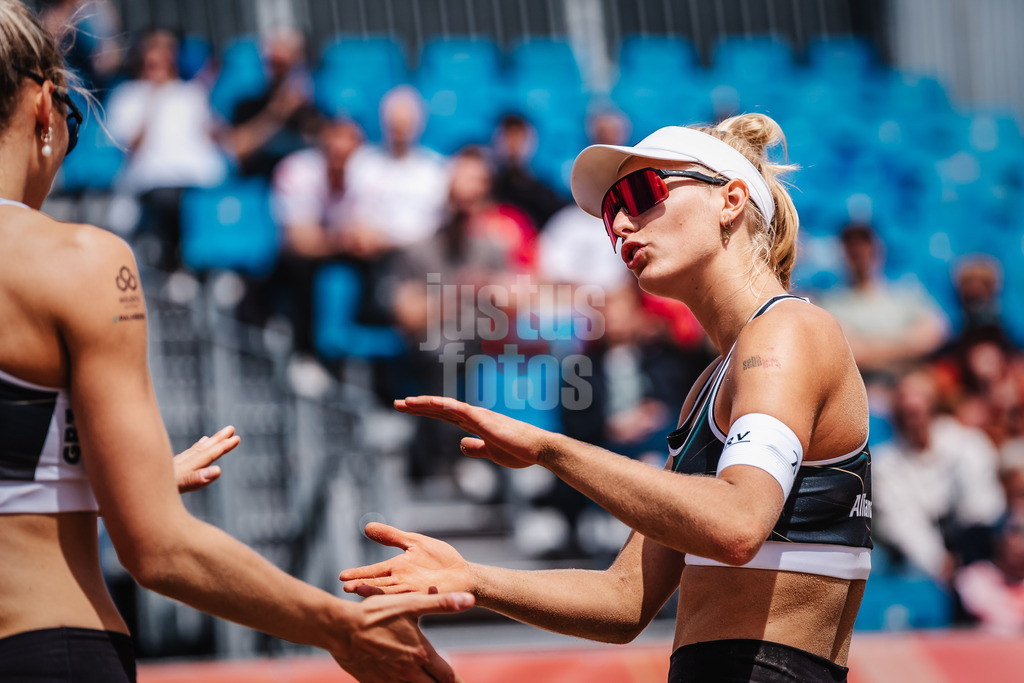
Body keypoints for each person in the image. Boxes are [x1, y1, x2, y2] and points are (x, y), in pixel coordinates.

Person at [0, 3, 472, 682]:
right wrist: (337, 624)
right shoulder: (76, 261)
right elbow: (157, 548)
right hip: (45, 644)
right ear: (45, 109)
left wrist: (117, 483)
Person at [341, 114, 874, 682]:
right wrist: (471, 577)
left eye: (642, 194)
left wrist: (550, 450)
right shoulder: (711, 384)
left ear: (731, 200)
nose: (619, 223)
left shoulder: (789, 330)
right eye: (609, 211)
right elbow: (623, 601)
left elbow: (738, 524)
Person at [104, 28, 227, 270]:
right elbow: (131, 146)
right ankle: (175, 264)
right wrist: (153, 100)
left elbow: (211, 136)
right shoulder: (126, 96)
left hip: (196, 178)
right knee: (170, 201)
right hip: (154, 181)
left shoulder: (192, 93)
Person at [872, 368, 1005, 581]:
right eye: (905, 404)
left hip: (976, 543)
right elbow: (902, 522)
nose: (912, 407)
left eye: (919, 400)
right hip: (920, 562)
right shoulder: (884, 464)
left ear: (933, 404)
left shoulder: (968, 443)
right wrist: (938, 561)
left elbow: (986, 504)